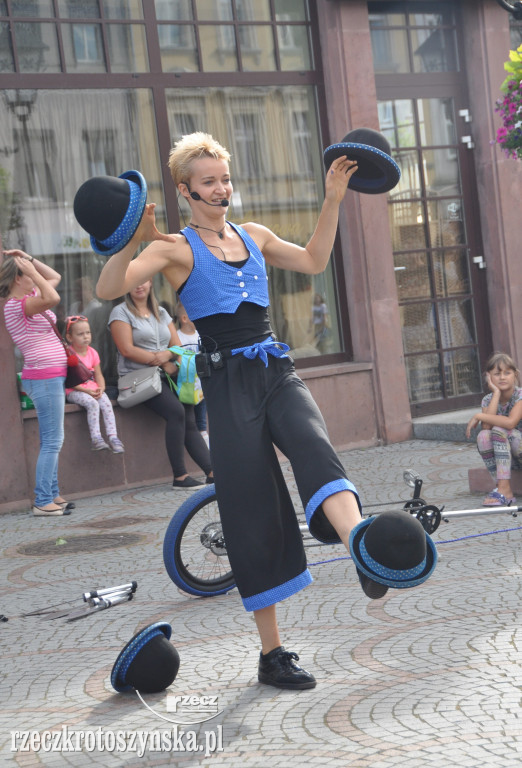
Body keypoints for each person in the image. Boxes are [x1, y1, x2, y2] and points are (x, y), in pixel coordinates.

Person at [95, 132, 422, 690]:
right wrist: (130, 239)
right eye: (208, 182)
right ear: (185, 190)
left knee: (316, 450)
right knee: (250, 508)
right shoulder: (174, 247)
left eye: (224, 178)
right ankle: (272, 655)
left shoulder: (256, 234)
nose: (221, 189)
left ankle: (361, 551)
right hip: (225, 385)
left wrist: (334, 198)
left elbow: (315, 260)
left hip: (274, 367)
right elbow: (108, 288)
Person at [108, 280, 213, 489]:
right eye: (133, 282)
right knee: (176, 412)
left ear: (150, 283)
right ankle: (180, 477)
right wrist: (161, 360)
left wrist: (167, 357)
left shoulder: (161, 312)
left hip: (169, 374)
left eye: (144, 280)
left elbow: (177, 346)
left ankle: (212, 472)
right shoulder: (120, 313)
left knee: (189, 417)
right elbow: (127, 349)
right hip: (141, 378)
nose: (139, 286)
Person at [0, 250, 73, 516]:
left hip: (50, 376)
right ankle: (43, 500)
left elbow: (55, 277)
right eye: (28, 275)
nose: (35, 277)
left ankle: (52, 493)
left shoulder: (30, 298)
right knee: (53, 440)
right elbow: (53, 296)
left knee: (50, 439)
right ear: (18, 279)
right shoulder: (17, 306)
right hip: (43, 377)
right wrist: (31, 272)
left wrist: (28, 260)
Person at [466, 352, 522, 506]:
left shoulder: (520, 396)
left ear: (515, 375)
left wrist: (479, 415)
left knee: (500, 429)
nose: (502, 377)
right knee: (484, 436)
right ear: (488, 377)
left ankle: (504, 489)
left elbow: (510, 423)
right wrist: (496, 393)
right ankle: (503, 487)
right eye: (497, 374)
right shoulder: (488, 399)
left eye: (507, 373)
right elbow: (486, 426)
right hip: (508, 458)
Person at [64, 315, 124, 453]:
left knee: (106, 402)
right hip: (74, 391)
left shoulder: (93, 353)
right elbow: (69, 381)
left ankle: (113, 437)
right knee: (92, 403)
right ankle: (96, 438)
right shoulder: (69, 354)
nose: (85, 336)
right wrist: (87, 392)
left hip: (92, 389)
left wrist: (101, 389)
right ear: (69, 337)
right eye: (80, 334)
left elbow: (98, 375)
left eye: (88, 332)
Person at [175, 301, 209, 447]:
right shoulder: (177, 337)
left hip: (201, 384)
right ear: (184, 318)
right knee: (189, 414)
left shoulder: (200, 336)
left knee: (202, 414)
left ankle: (204, 436)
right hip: (186, 384)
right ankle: (196, 437)